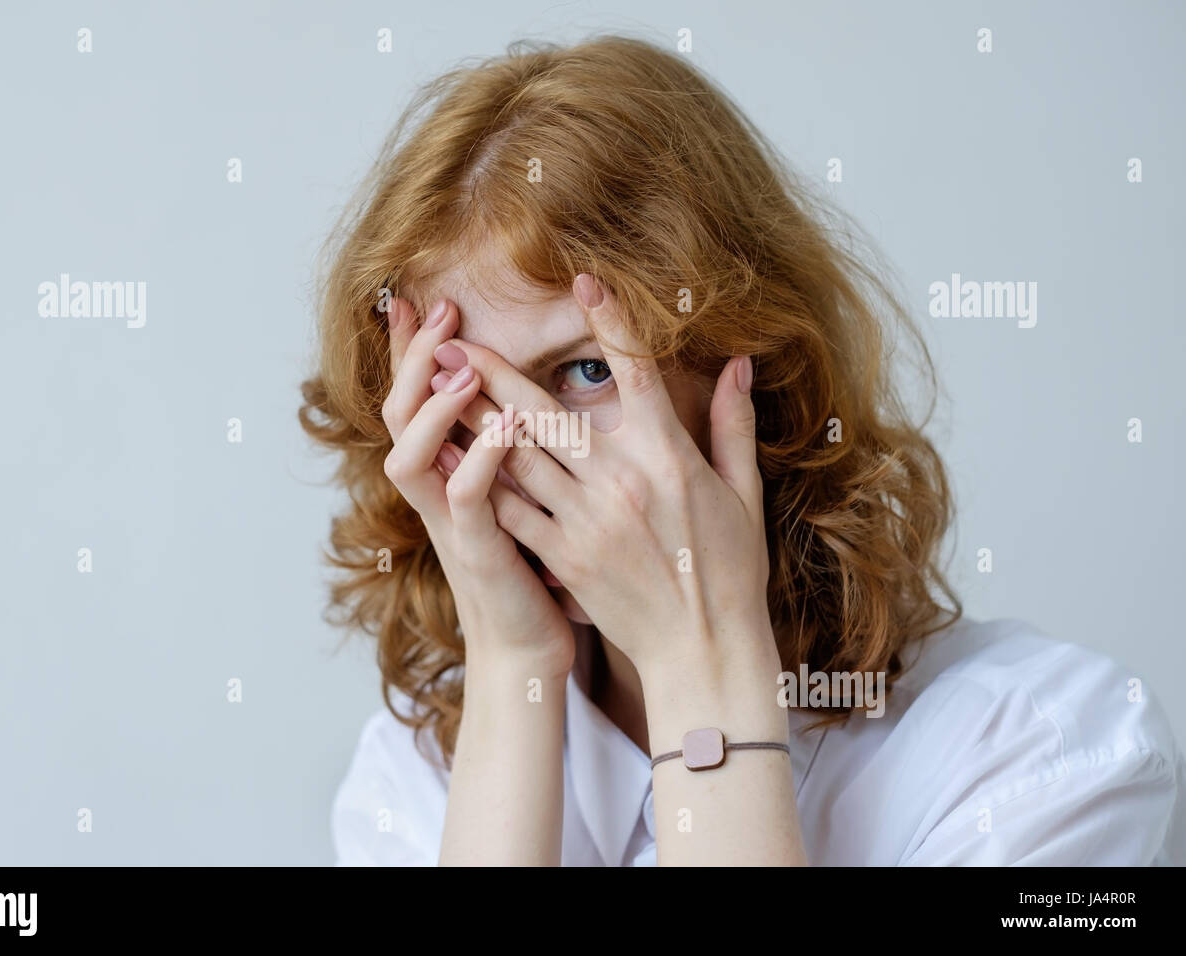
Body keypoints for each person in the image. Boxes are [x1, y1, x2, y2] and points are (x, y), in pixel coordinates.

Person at [300, 35, 1184, 865]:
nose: (521, 452)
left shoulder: (1050, 757)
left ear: (748, 370)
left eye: (581, 370)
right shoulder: (413, 781)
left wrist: (701, 671)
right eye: (469, 393)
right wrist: (512, 669)